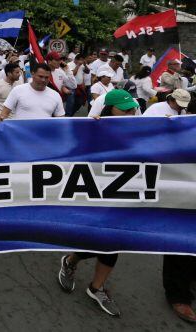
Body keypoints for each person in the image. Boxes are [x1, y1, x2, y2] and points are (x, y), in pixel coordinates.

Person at [58, 89, 139, 318]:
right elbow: (71, 152)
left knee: (114, 241)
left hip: (123, 193)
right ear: (109, 109)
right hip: (94, 193)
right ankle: (71, 260)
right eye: (125, 110)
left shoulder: (139, 129)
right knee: (96, 239)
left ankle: (96, 287)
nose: (131, 113)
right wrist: (90, 131)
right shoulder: (94, 127)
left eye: (132, 109)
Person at [0, 63, 64, 121]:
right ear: (32, 74)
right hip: (20, 136)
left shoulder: (55, 95)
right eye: (40, 76)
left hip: (44, 135)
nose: (43, 80)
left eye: (46, 77)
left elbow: (61, 121)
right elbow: (4, 114)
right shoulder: (18, 90)